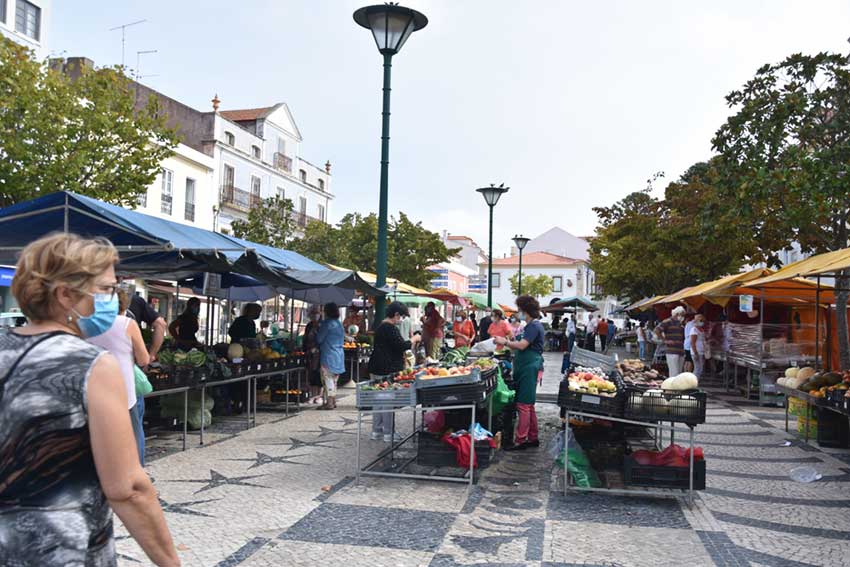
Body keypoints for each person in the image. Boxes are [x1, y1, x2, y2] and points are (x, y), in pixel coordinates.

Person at [1, 233, 178, 566]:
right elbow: (128, 488)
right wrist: (171, 562)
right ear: (67, 295)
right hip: (63, 550)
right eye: (107, 289)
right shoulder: (91, 366)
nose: (115, 298)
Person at [88, 288, 150, 465]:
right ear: (124, 305)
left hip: (96, 390)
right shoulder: (127, 324)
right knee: (133, 435)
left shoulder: (89, 325)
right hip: (124, 392)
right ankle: (136, 473)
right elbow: (144, 358)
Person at [493, 295, 544, 451]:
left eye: (520, 310)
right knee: (529, 405)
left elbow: (522, 345)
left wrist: (505, 342)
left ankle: (521, 440)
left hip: (530, 367)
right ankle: (533, 437)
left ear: (526, 311)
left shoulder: (534, 326)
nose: (518, 313)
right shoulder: (529, 326)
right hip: (525, 367)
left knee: (523, 405)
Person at [368, 302, 420, 441]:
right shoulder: (390, 328)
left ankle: (376, 431)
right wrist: (414, 338)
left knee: (378, 400)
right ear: (396, 314)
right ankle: (388, 433)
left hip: (376, 366)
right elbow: (401, 346)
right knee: (387, 400)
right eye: (401, 316)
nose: (401, 320)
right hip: (387, 367)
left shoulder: (380, 326)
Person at [317, 302, 345, 410]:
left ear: (327, 312)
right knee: (334, 380)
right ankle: (333, 402)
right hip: (339, 355)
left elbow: (319, 339)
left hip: (328, 355)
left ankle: (329, 403)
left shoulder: (327, 324)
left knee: (327, 379)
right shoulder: (339, 324)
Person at [127, 292, 166, 361]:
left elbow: (160, 324)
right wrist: (151, 355)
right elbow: (160, 324)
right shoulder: (134, 300)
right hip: (131, 358)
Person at [302, 306, 322, 404]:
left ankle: (319, 396)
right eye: (312, 313)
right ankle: (312, 395)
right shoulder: (309, 325)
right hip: (310, 354)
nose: (314, 315)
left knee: (320, 375)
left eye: (316, 313)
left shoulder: (322, 325)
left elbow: (322, 339)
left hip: (320, 354)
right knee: (311, 375)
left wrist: (317, 348)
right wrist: (305, 349)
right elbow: (305, 339)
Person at [659, 306, 686, 376]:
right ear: (677, 314)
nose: (683, 317)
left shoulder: (681, 323)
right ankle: (672, 386)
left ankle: (677, 386)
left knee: (679, 373)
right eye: (682, 315)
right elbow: (657, 330)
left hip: (680, 350)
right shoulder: (667, 321)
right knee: (674, 372)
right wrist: (665, 341)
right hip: (672, 350)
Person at [689, 314, 707, 379]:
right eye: (701, 320)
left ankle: (695, 381)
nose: (702, 322)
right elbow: (692, 342)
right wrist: (695, 352)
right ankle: (694, 382)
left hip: (701, 351)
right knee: (698, 369)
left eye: (703, 321)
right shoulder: (694, 330)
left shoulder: (701, 329)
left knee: (700, 368)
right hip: (696, 352)